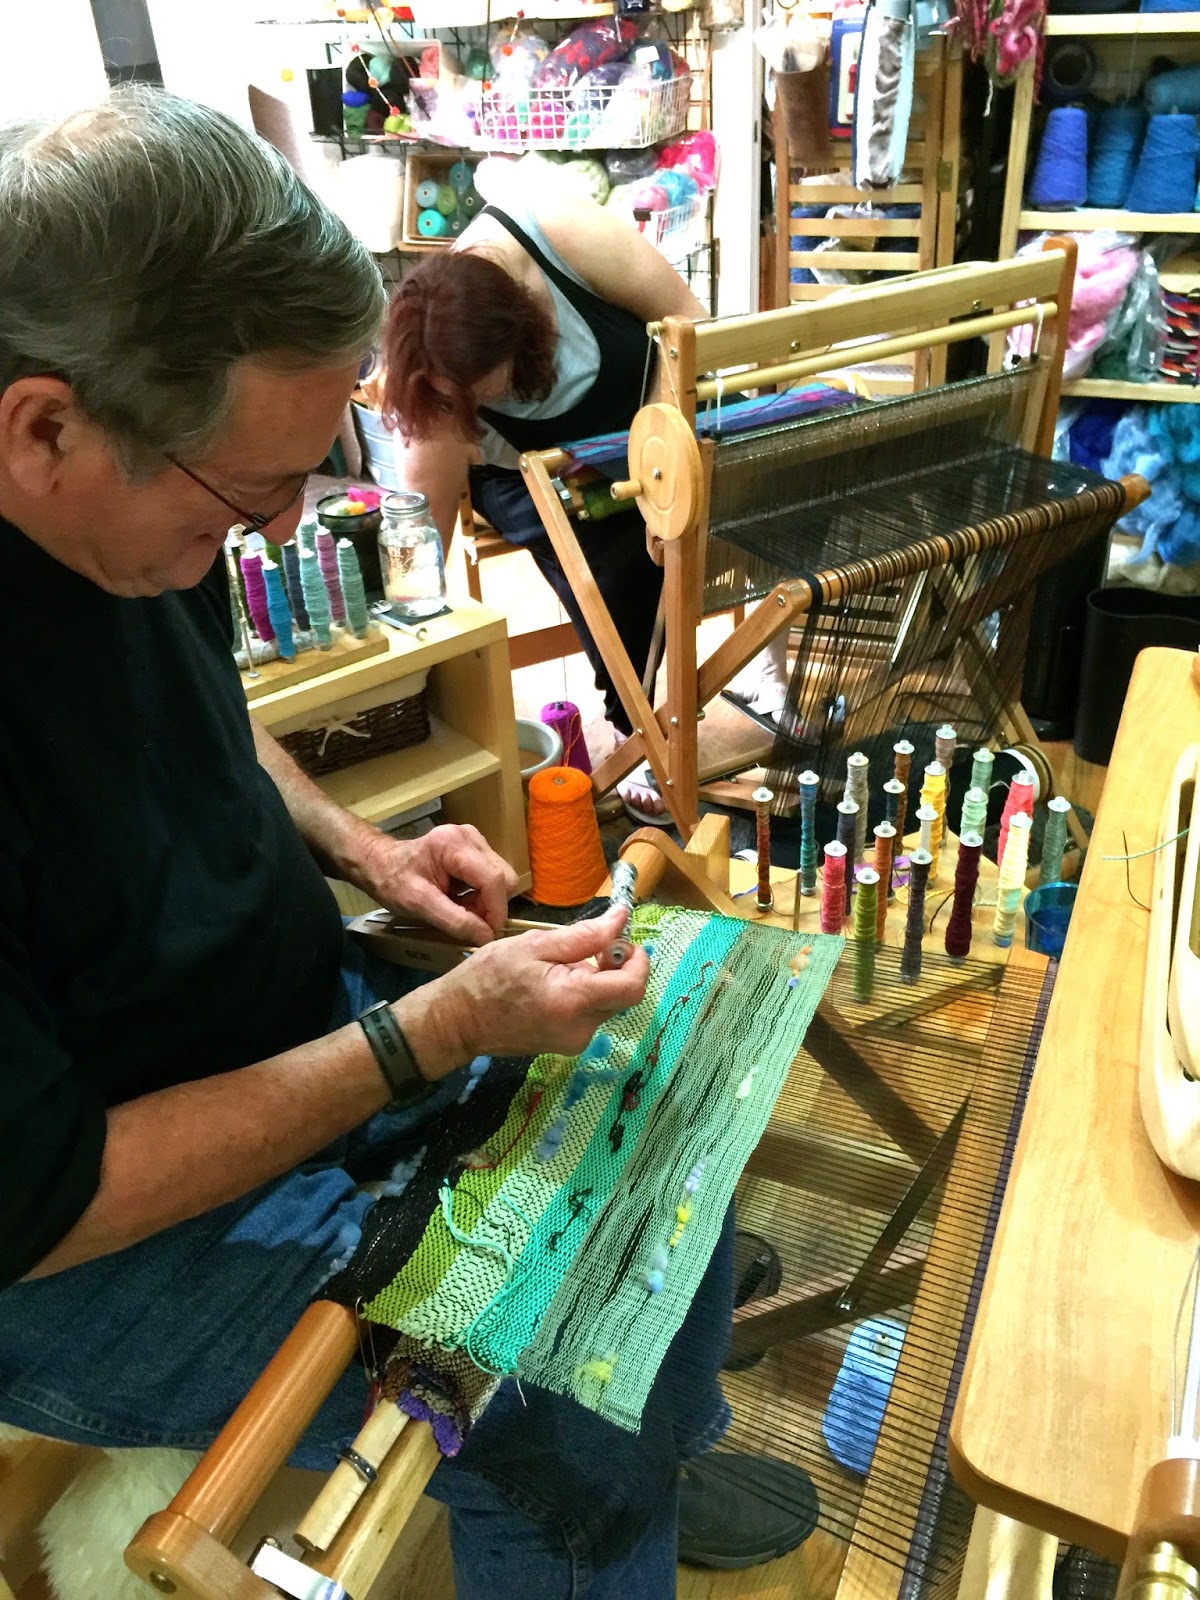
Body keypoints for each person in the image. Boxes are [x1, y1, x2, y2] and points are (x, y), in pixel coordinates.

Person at [0, 89, 817, 1595]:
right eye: (244, 500)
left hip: (271, 1049)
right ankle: (609, 1484)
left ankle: (651, 1465)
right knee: (556, 1393)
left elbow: (206, 710)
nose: (266, 531)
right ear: (43, 426)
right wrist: (420, 1040)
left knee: (657, 1103)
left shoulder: (114, 506)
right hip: (76, 1240)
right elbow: (42, 1200)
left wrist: (360, 853)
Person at [383, 180, 790, 825]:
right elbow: (419, 533)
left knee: (780, 457)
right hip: (530, 475)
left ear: (524, 332)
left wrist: (658, 446)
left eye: (494, 390)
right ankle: (639, 729)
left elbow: (693, 329)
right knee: (617, 546)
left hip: (660, 415)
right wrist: (411, 669)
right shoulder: (434, 377)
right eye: (473, 404)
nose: (485, 406)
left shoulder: (557, 230)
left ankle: (767, 661)